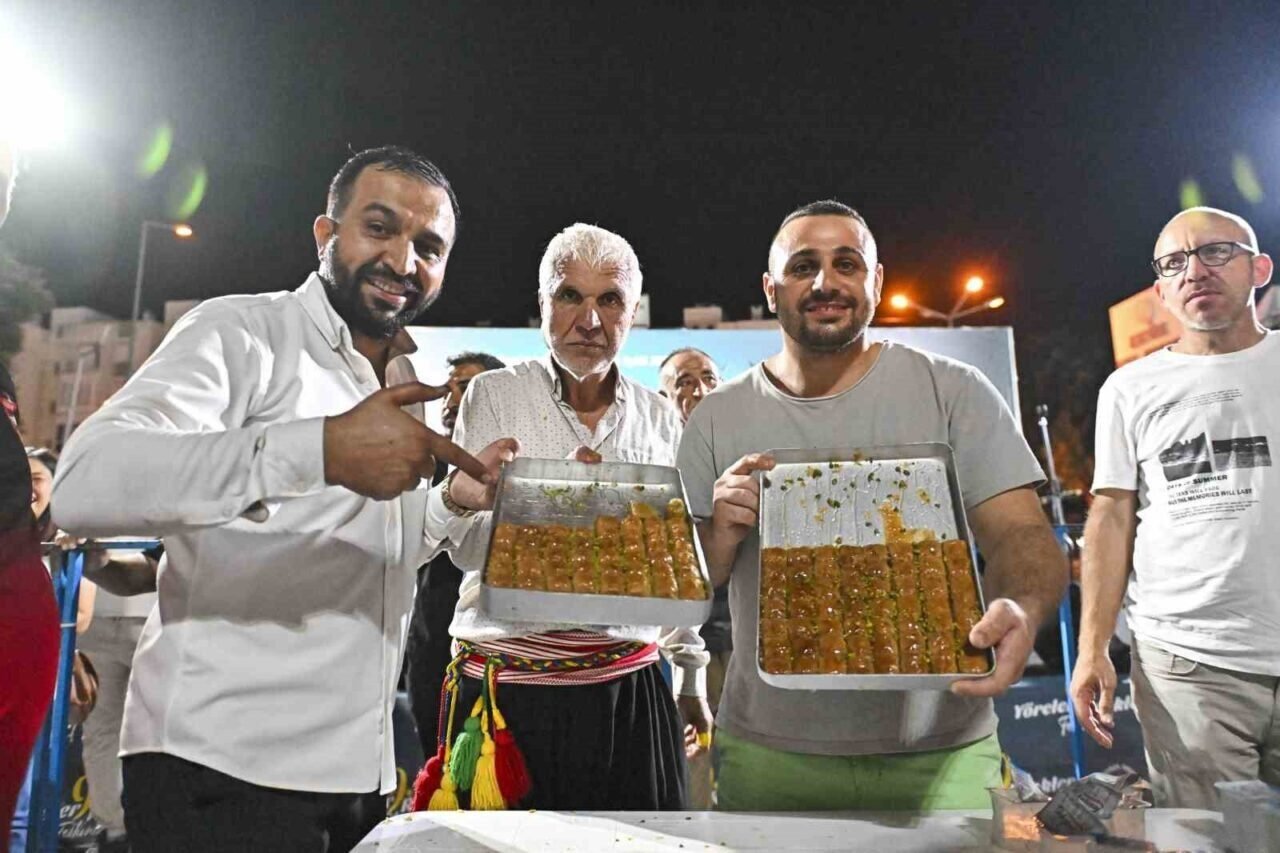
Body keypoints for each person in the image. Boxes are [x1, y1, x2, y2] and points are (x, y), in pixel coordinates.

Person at [52, 146, 516, 853]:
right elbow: (85, 482)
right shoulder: (242, 332)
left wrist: (452, 502)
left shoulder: (404, 374)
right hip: (221, 775)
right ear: (326, 235)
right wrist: (318, 449)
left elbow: (376, 549)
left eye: (428, 247)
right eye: (379, 227)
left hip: (354, 778)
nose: (402, 259)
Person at [677, 199, 1067, 811]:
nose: (824, 283)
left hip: (944, 753)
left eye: (846, 264)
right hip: (769, 756)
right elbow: (687, 586)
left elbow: (1021, 536)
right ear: (771, 289)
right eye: (802, 266)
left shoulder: (953, 390)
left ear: (876, 283)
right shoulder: (715, 417)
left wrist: (1021, 603)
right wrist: (720, 536)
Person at [417, 223, 711, 812]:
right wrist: (547, 510)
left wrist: (690, 677)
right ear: (543, 302)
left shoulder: (659, 418)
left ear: (633, 312)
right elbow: (468, 550)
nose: (590, 320)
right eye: (570, 295)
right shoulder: (494, 396)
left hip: (629, 689)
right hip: (507, 695)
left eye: (610, 300)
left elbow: (670, 568)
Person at [1072, 206, 1279, 808]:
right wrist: (1092, 649)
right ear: (1161, 290)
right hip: (1187, 667)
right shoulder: (1129, 389)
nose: (1194, 271)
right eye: (1174, 263)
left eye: (1216, 252)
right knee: (1214, 841)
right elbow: (1110, 518)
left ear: (1259, 269)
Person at [405, 351, 505, 760]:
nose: (450, 400)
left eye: (464, 387)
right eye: (447, 390)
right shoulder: (419, 464)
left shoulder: (514, 469)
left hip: (492, 645)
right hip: (429, 639)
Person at [658, 347, 726, 808]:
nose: (698, 390)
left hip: (747, 646)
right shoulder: (655, 465)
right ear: (663, 396)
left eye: (708, 378)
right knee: (693, 758)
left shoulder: (747, 453)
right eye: (683, 381)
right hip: (679, 649)